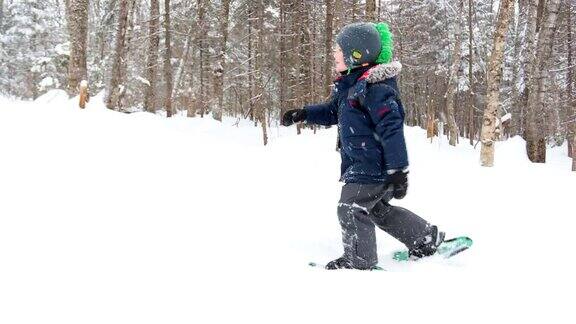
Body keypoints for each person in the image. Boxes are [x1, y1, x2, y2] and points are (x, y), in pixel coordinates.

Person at [281, 22, 444, 270]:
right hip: (362, 163)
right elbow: (332, 111)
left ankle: (359, 260)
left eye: (338, 50)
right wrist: (304, 114)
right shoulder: (351, 87)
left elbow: (392, 130)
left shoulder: (375, 89)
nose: (334, 54)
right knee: (378, 210)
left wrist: (398, 170)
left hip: (371, 165)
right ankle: (425, 238)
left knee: (350, 208)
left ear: (356, 55)